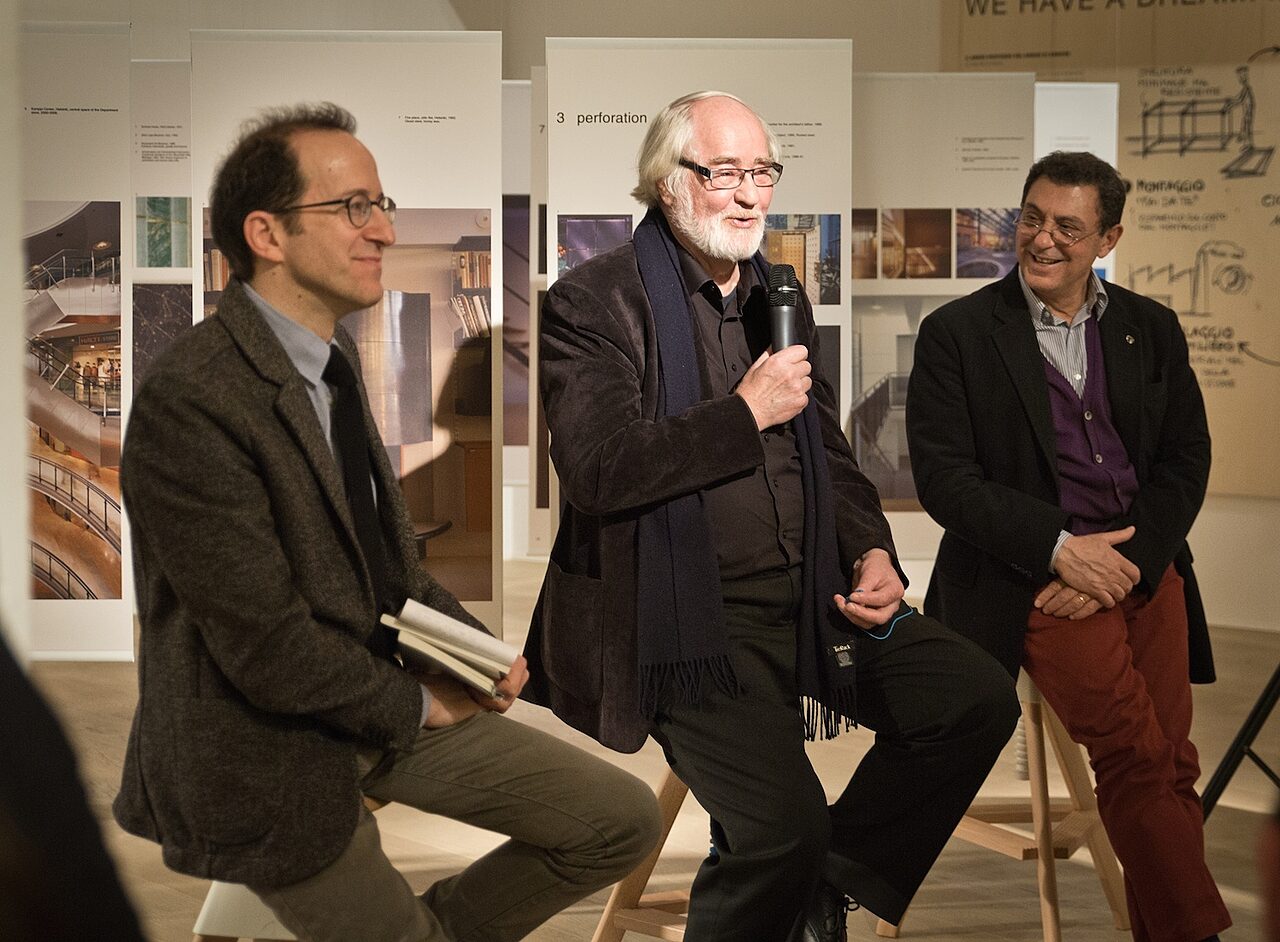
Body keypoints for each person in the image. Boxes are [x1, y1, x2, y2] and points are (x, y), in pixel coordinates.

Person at [113, 102, 659, 942]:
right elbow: (263, 644)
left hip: (370, 706)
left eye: (382, 204)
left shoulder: (326, 365)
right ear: (267, 234)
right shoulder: (197, 398)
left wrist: (475, 654)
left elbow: (387, 567)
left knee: (620, 819)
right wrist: (414, 706)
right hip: (269, 745)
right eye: (352, 208)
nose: (382, 230)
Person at [523, 90, 1019, 942]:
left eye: (762, 172)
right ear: (667, 181)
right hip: (684, 623)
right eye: (725, 172)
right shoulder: (593, 302)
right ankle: (796, 873)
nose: (751, 194)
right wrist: (744, 412)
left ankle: (825, 883)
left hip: (816, 600)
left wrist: (869, 549)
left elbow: (826, 453)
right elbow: (600, 470)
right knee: (782, 827)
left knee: (974, 698)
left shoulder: (775, 294)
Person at [906, 150, 1231, 942]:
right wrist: (1059, 550)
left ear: (1108, 238)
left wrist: (1128, 562)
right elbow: (946, 482)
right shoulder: (957, 334)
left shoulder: (1149, 328)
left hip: (1142, 573)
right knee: (1133, 753)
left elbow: (1187, 458)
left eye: (1068, 226)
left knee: (1172, 761)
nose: (1042, 239)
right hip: (1035, 584)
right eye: (1031, 217)